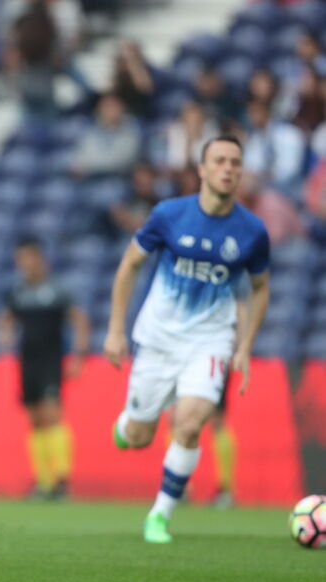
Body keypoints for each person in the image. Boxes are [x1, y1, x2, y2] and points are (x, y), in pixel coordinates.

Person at [104, 135, 270, 544]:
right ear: (202, 169)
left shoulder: (252, 231)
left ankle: (159, 515)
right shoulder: (169, 215)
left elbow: (261, 286)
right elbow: (129, 265)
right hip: (158, 339)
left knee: (191, 423)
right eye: (220, 161)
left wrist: (245, 344)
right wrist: (114, 329)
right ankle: (128, 424)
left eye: (235, 162)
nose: (228, 168)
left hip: (210, 341)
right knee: (140, 437)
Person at [0, 237, 90, 500]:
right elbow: (6, 317)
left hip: (51, 361)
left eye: (28, 259)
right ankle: (43, 481)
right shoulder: (19, 292)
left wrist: (78, 355)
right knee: (35, 419)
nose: (24, 265)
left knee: (52, 415)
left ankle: (62, 479)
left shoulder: (57, 291)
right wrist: (3, 334)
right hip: (28, 362)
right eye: (20, 260)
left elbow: (79, 320)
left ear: (39, 259)